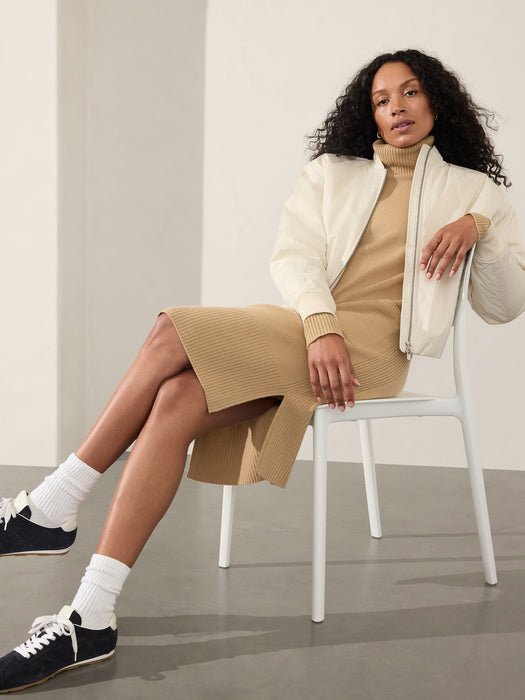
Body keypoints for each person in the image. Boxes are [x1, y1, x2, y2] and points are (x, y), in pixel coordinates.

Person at [0, 48, 524, 693]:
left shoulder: (475, 192)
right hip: (309, 331)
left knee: (170, 330)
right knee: (177, 398)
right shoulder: (332, 173)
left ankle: (53, 505)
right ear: (369, 114)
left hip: (374, 355)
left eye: (410, 93)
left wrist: (480, 226)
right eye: (382, 100)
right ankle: (92, 615)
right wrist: (321, 324)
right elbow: (293, 258)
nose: (397, 108)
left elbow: (504, 305)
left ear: (436, 99)